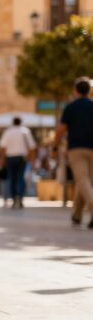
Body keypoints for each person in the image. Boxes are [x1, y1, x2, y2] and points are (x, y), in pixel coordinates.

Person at [54, 77, 93, 229]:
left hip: (76, 149)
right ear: (89, 90)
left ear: (75, 90)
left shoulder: (71, 107)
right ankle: (77, 215)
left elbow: (61, 130)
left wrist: (55, 147)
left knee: (83, 180)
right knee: (85, 181)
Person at [0, 116, 36, 209]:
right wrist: (31, 158)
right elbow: (32, 146)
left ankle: (14, 198)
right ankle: (20, 197)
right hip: (21, 157)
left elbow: (3, 147)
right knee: (20, 177)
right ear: (20, 122)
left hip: (10, 158)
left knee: (12, 178)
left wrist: (2, 159)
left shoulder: (8, 132)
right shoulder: (25, 131)